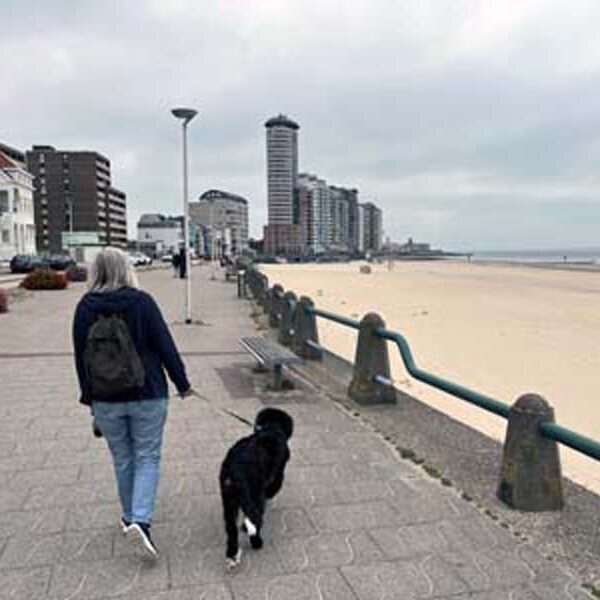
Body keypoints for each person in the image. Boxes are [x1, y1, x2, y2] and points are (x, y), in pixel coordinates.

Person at [73, 247, 193, 560]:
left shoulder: (84, 307)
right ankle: (141, 520)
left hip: (105, 398)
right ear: (127, 269)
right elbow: (165, 345)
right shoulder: (142, 302)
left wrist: (90, 401)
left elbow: (80, 359)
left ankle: (129, 517)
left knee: (123, 458)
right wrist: (182, 384)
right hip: (148, 393)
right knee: (147, 456)